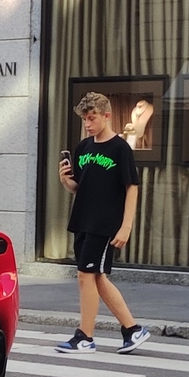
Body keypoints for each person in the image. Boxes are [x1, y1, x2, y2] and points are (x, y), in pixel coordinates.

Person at [54, 92, 151, 354]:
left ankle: (85, 336)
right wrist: (65, 181)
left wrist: (126, 226)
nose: (87, 124)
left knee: (86, 275)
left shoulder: (120, 149)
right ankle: (132, 329)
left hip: (106, 223)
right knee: (96, 277)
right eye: (85, 119)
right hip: (83, 220)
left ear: (106, 116)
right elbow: (80, 187)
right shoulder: (83, 148)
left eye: (92, 118)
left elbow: (132, 187)